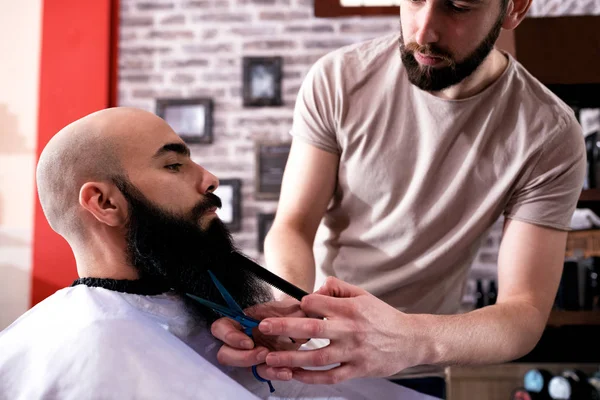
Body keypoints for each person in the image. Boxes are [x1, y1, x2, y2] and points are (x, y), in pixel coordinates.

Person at [210, 0, 587, 398]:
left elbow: (524, 314)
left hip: (416, 364)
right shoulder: (338, 79)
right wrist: (290, 311)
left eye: (458, 6)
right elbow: (293, 225)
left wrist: (408, 339)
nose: (423, 32)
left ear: (514, 9)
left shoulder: (549, 135)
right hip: (314, 352)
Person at [0, 107, 433, 400]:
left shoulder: (220, 314)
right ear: (105, 203)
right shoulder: (84, 344)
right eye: (174, 166)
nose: (210, 179)